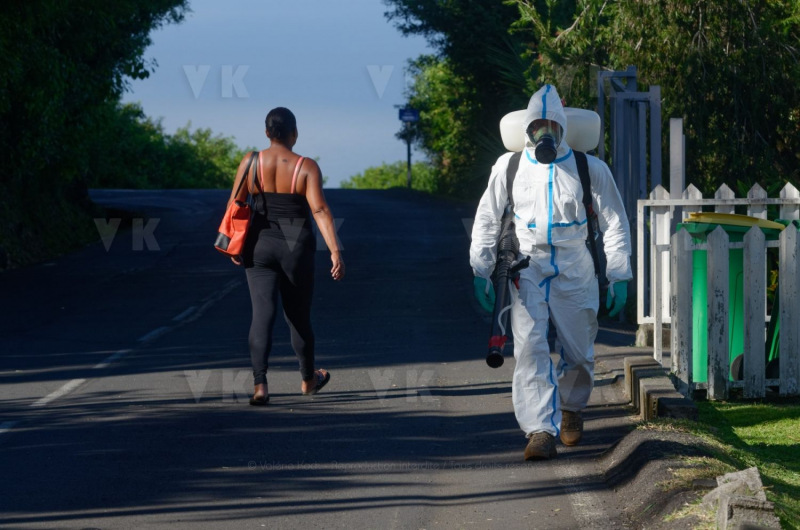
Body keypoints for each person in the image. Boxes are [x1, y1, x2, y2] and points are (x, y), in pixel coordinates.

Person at [469, 84, 632, 460]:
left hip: (576, 267)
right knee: (530, 348)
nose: (545, 132)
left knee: (578, 351)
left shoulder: (589, 169)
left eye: (551, 125)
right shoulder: (508, 167)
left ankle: (572, 408)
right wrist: (480, 267)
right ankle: (540, 430)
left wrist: (619, 275)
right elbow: (487, 218)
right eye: (537, 125)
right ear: (527, 129)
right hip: (527, 266)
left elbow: (615, 222)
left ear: (561, 128)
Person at [227, 106, 344, 406]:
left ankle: (260, 385)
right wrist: (335, 250)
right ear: (295, 133)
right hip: (296, 244)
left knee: (261, 314)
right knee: (298, 316)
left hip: (259, 243)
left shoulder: (250, 162)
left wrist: (232, 244)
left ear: (267, 132)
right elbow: (319, 210)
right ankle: (308, 379)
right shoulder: (306, 166)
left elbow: (236, 203)